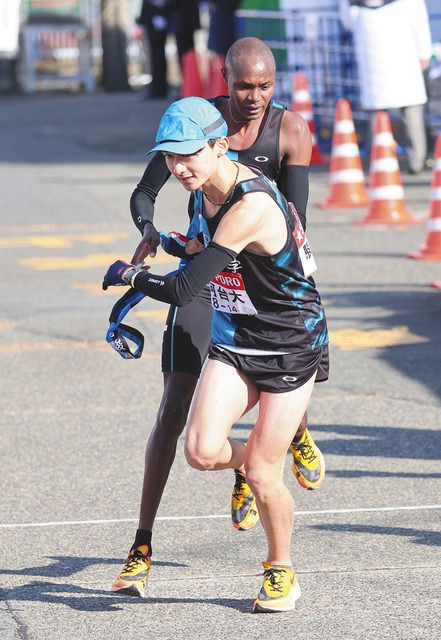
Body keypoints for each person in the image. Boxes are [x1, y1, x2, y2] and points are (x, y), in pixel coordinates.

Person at [110, 36, 326, 599]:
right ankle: (249, 463)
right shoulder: (202, 178)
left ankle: (280, 566)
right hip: (234, 330)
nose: (178, 167)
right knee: (201, 450)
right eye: (172, 157)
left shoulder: (250, 199)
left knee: (263, 471)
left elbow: (185, 285)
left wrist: (133, 277)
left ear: (218, 146)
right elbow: (190, 249)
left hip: (286, 338)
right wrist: (165, 238)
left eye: (188, 155)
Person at [339, 0, 432, 174]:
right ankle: (416, 161)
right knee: (412, 113)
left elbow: (347, 20)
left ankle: (378, 162)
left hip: (371, 55)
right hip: (405, 54)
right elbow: (419, 20)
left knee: (377, 115)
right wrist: (425, 52)